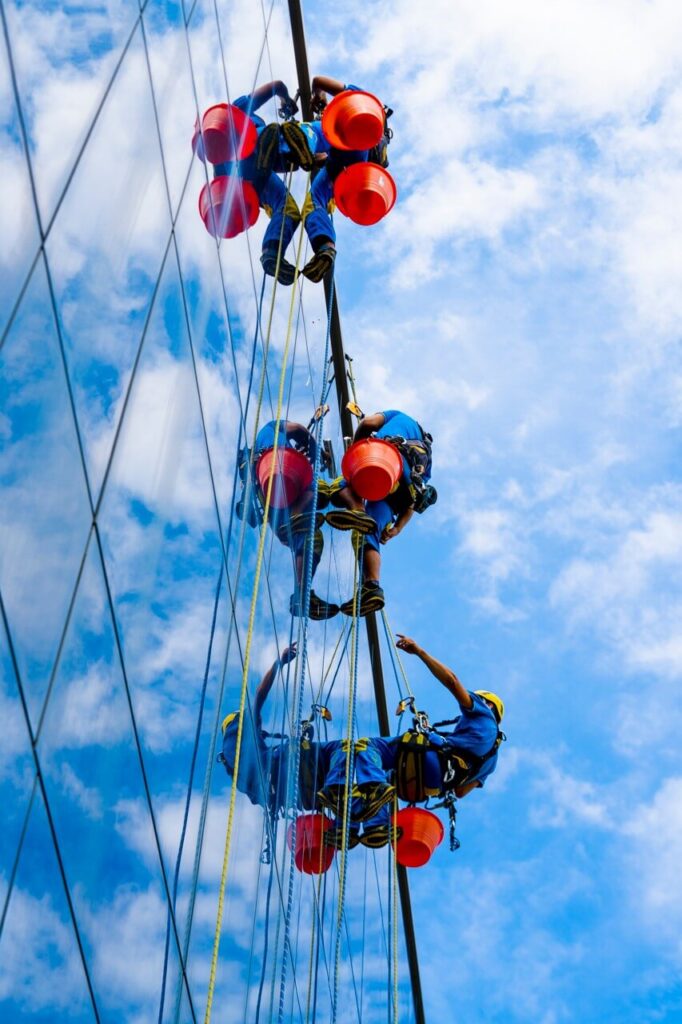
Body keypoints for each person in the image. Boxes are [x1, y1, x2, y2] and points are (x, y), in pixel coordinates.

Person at [317, 635, 504, 847]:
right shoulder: (492, 761)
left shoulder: (482, 712)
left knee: (367, 747)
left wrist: (420, 652)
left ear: (488, 705)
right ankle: (373, 826)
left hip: (432, 760)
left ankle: (338, 792)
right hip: (431, 784)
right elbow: (460, 792)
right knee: (382, 776)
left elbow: (452, 681)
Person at [324, 410, 436, 616]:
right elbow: (412, 501)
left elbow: (367, 423)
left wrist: (356, 449)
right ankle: (372, 587)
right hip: (399, 491)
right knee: (369, 532)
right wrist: (396, 529)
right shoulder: (426, 460)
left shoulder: (399, 416)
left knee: (341, 486)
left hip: (385, 462)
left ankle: (357, 512)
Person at [197, 80, 307, 286]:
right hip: (244, 153)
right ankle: (267, 154)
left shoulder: (236, 117)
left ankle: (271, 251)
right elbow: (277, 85)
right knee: (270, 138)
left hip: (244, 181)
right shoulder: (235, 111)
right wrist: (286, 99)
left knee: (289, 210)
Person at [237, 418, 338, 620]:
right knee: (316, 488)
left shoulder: (257, 456)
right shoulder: (271, 428)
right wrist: (318, 452)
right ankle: (296, 517)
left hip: (268, 494)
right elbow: (300, 430)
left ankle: (302, 594)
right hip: (277, 471)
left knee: (312, 539)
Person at [219, 644, 336, 816]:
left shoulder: (235, 769)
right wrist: (279, 663)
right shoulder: (241, 725)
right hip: (278, 772)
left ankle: (324, 793)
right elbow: (259, 695)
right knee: (314, 749)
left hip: (282, 793)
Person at [299, 75, 393, 284]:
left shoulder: (359, 100)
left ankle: (299, 139)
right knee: (315, 199)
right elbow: (331, 157)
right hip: (356, 170)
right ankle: (325, 246)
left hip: (349, 148)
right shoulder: (370, 115)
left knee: (317, 130)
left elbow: (317, 81)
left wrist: (317, 95)